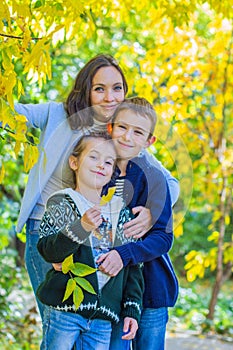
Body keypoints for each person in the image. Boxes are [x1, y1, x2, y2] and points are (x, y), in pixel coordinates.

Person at [14, 54, 179, 327]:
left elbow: (170, 183)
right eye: (99, 88)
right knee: (57, 326)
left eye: (117, 88)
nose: (110, 97)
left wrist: (152, 212)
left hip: (94, 240)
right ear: (86, 90)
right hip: (47, 230)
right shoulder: (56, 114)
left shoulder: (122, 134)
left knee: (90, 329)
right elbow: (10, 115)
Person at [36, 133, 144, 350]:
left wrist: (131, 309)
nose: (101, 165)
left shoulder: (120, 210)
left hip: (103, 315)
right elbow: (49, 251)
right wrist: (81, 227)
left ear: (113, 171)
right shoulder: (62, 201)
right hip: (64, 309)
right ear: (74, 162)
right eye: (93, 157)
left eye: (108, 162)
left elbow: (134, 266)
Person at [95, 97, 179, 350]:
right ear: (110, 128)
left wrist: (124, 254)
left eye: (138, 132)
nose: (127, 137)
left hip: (152, 290)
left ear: (149, 141)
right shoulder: (97, 173)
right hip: (113, 293)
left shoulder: (153, 177)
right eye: (122, 127)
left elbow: (163, 238)